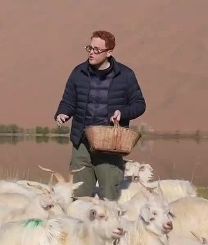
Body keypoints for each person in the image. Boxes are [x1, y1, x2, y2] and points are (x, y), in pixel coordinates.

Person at [53, 30, 146, 201]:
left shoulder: (125, 75)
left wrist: (122, 112)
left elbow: (139, 104)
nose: (91, 52)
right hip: (81, 142)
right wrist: (62, 113)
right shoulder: (78, 72)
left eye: (97, 49)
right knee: (79, 198)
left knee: (109, 198)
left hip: (110, 144)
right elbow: (68, 100)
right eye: (90, 48)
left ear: (109, 52)